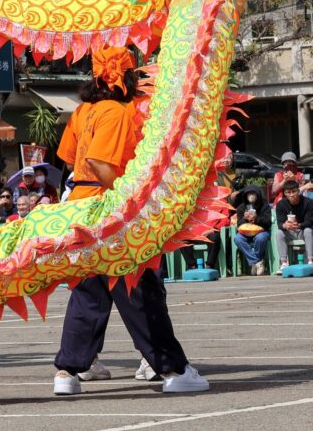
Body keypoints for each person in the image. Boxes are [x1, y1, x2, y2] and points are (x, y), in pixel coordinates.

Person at [52, 47, 208, 396]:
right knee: (138, 289)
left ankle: (67, 371)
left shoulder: (83, 110)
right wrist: (131, 201)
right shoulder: (117, 112)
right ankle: (172, 369)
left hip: (79, 205)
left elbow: (68, 157)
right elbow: (102, 163)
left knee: (88, 293)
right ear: (126, 77)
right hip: (107, 209)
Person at [273, 179, 313, 273]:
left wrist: (299, 225)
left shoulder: (308, 203)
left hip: (303, 230)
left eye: (294, 191)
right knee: (279, 233)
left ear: (299, 191)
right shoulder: (281, 204)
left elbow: (310, 221)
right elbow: (279, 223)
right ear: (285, 193)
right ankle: (283, 263)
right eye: (288, 192)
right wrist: (285, 225)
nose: (292, 195)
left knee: (308, 230)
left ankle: (311, 260)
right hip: (289, 231)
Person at [230, 186, 270, 275]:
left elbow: (268, 223)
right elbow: (239, 225)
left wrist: (256, 218)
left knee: (260, 238)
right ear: (246, 196)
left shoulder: (265, 206)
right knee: (237, 238)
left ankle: (254, 263)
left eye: (253, 194)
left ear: (258, 195)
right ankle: (257, 262)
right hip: (245, 233)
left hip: (261, 231)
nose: (251, 196)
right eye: (249, 194)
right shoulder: (241, 207)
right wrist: (244, 218)